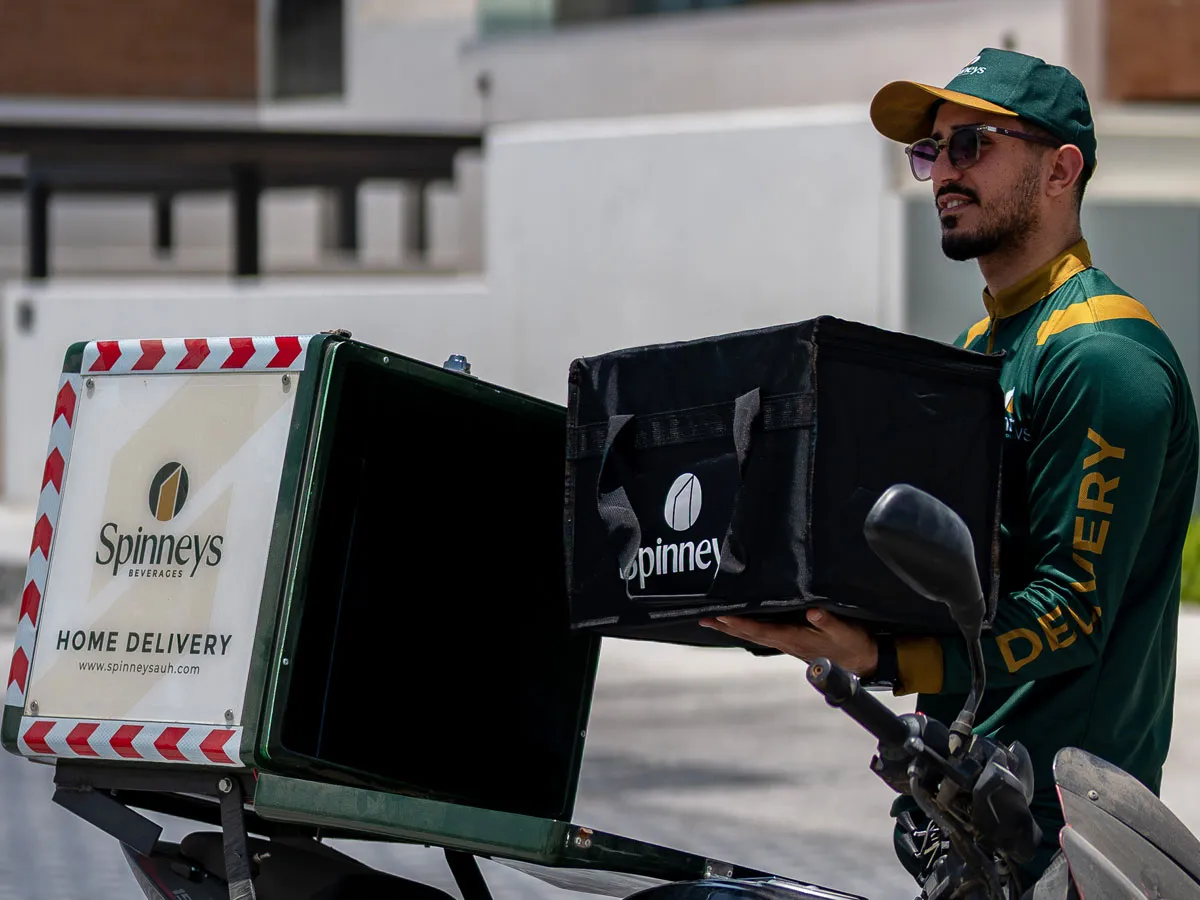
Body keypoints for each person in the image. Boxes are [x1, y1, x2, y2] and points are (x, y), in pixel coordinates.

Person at [701, 47, 1200, 891]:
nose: (942, 174)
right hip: (965, 823)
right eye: (931, 151)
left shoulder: (1102, 356)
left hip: (1059, 845)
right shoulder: (977, 353)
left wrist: (888, 659)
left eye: (972, 145)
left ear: (1060, 169)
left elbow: (1073, 612)